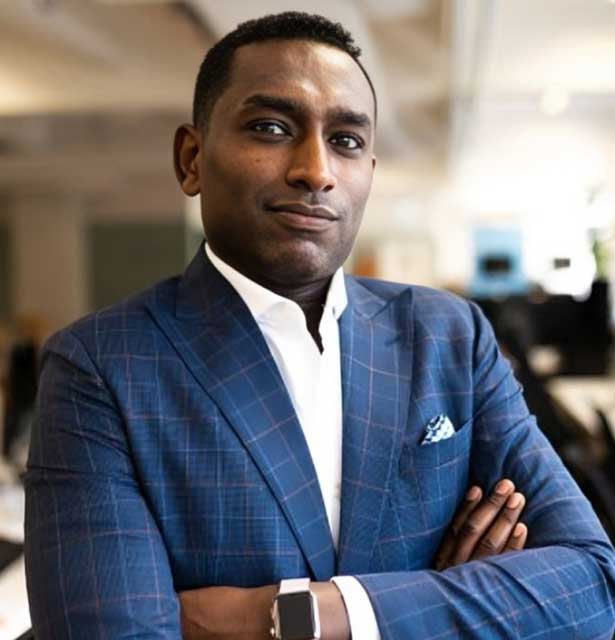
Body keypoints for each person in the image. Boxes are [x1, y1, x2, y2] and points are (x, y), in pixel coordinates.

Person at [24, 11, 615, 640]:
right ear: (191, 159)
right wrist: (453, 604)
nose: (316, 170)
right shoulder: (100, 366)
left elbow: (592, 583)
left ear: (369, 173)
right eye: (271, 128)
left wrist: (304, 615)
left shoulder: (448, 335)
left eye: (347, 141)